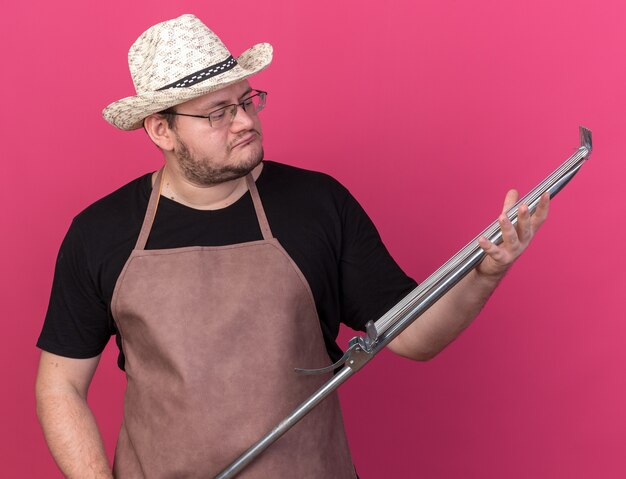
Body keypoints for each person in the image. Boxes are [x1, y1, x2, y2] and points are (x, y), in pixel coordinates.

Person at [35, 13, 550, 479]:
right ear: (161, 129)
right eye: (217, 113)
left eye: (246, 100)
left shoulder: (317, 205)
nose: (244, 121)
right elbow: (60, 387)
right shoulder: (100, 233)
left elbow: (416, 339)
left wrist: (487, 273)